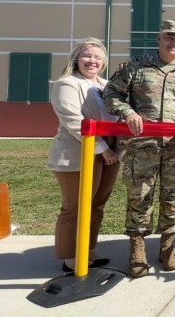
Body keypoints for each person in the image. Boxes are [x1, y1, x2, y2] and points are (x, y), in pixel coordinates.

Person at [103, 20, 175, 278]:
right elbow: (111, 94)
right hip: (142, 147)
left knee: (174, 196)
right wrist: (127, 112)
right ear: (159, 38)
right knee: (140, 196)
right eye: (170, 37)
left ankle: (168, 245)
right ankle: (137, 248)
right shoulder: (136, 67)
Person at [47, 37, 120, 272]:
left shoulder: (106, 86)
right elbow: (74, 121)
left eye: (98, 57)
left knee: (97, 205)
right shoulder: (66, 84)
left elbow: (117, 116)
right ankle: (70, 257)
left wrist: (116, 148)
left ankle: (87, 249)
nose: (92, 61)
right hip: (78, 153)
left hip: (110, 152)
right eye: (87, 56)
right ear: (76, 58)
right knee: (75, 206)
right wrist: (104, 149)